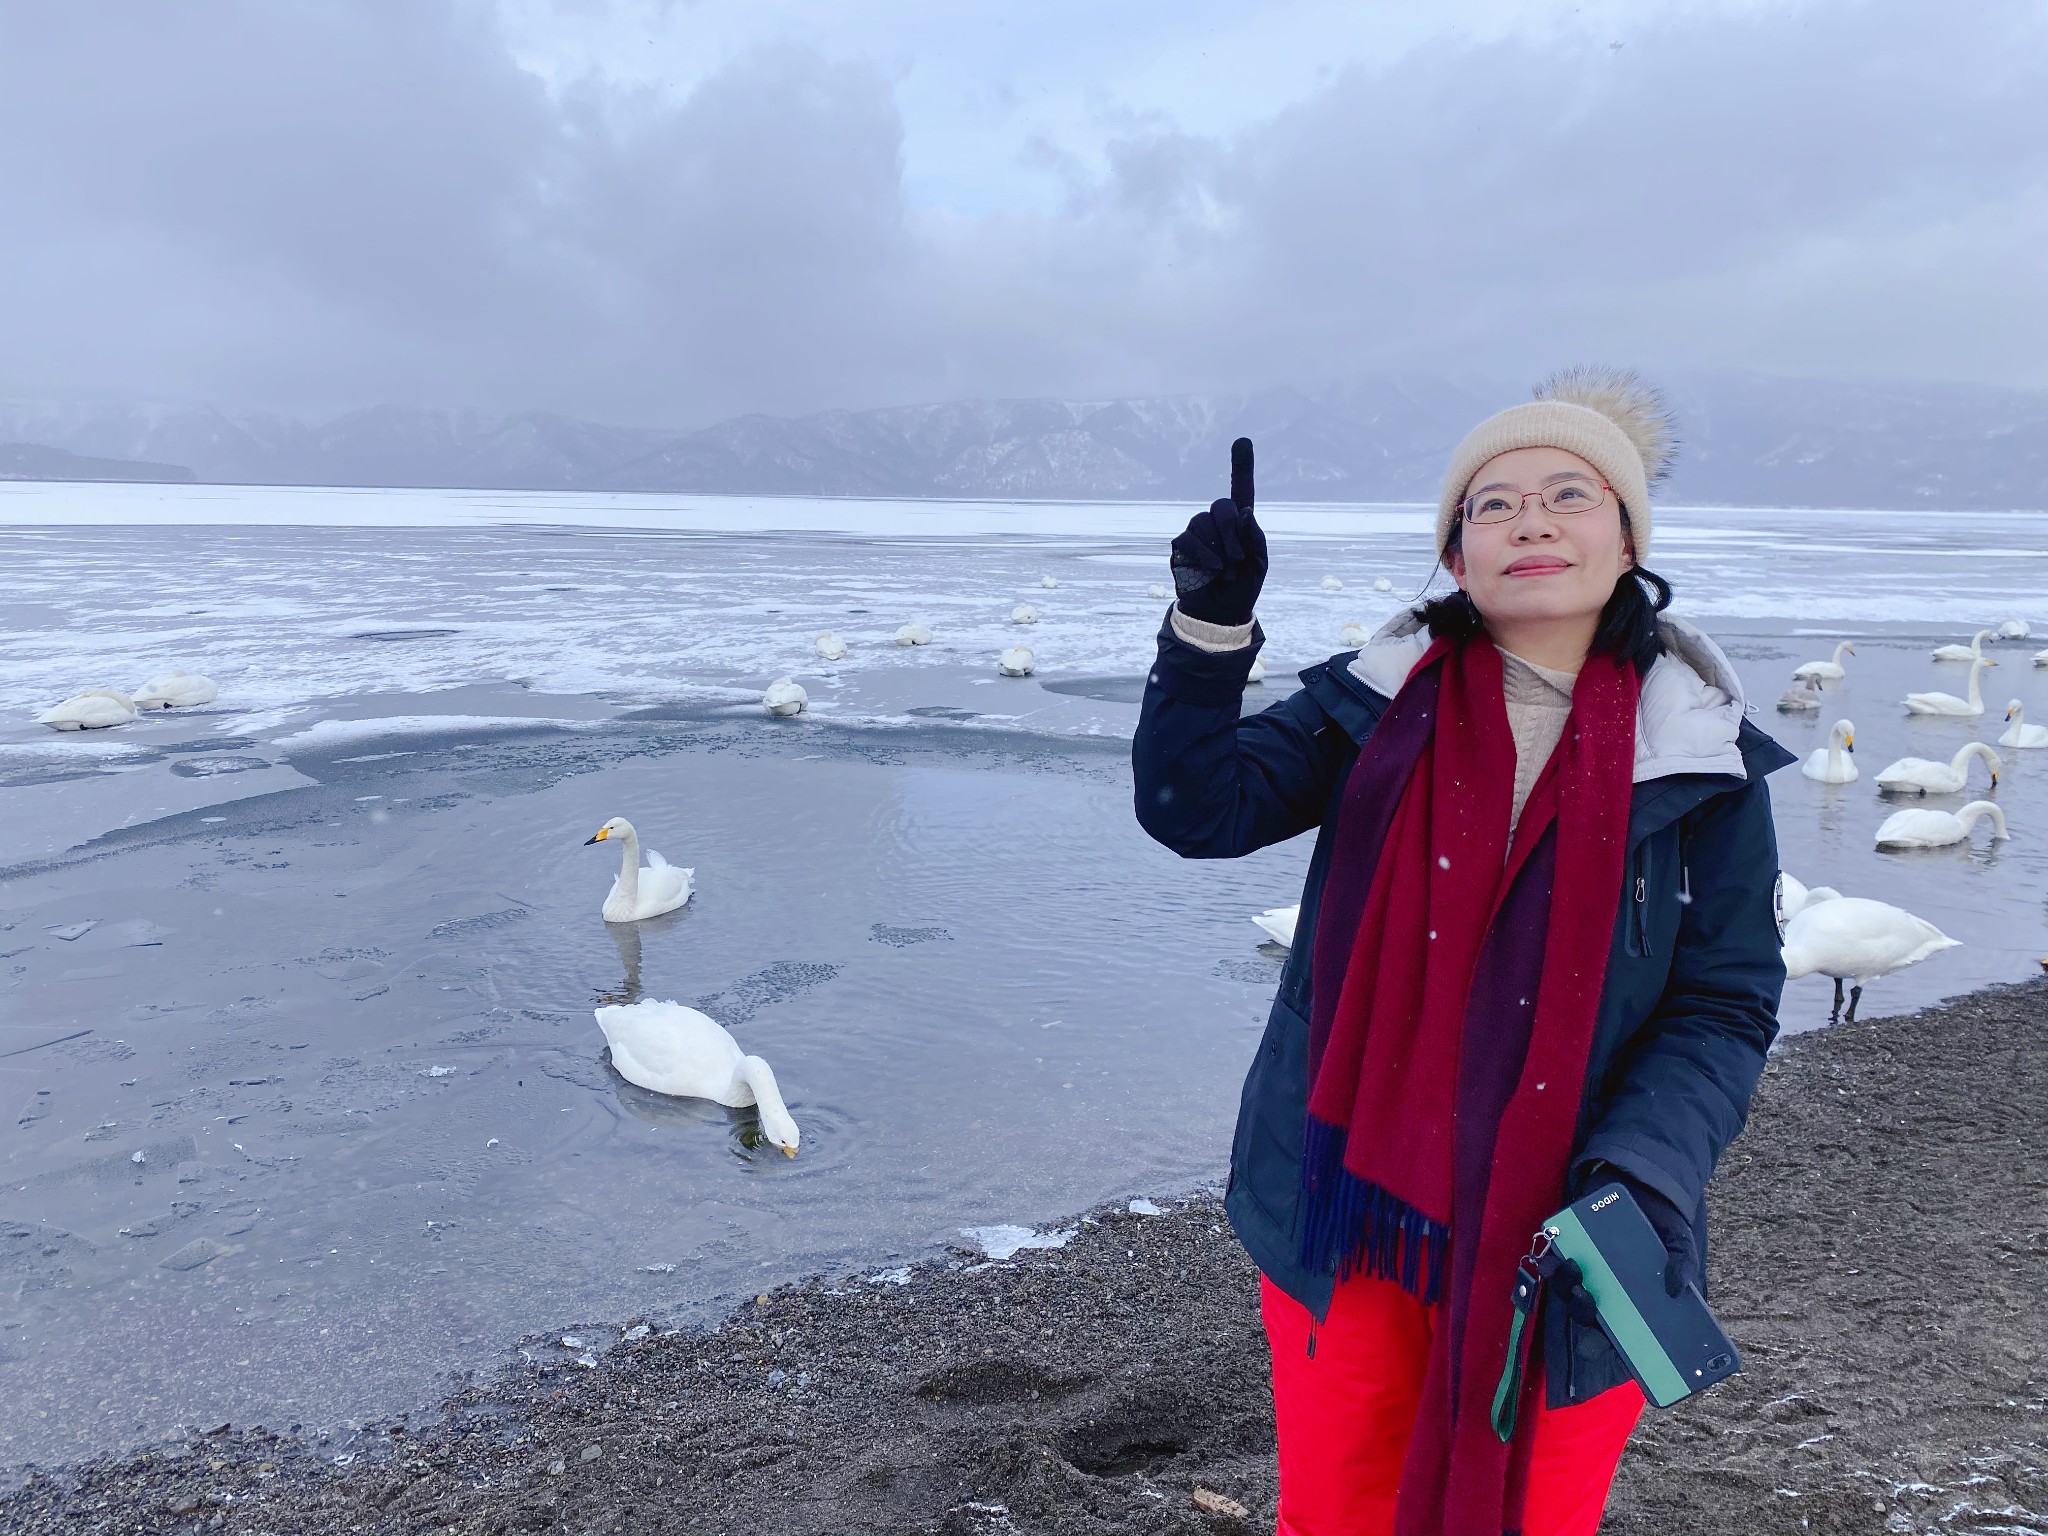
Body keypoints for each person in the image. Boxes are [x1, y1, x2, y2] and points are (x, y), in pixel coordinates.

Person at [1132, 370, 1792, 1536]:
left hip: (1576, 1218)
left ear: (1628, 538)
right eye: (1490, 505)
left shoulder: (1700, 754)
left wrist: (1641, 1164)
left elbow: (1725, 1001)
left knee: (1536, 1510)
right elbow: (1196, 810)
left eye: (1566, 494)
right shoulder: (1369, 704)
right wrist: (1206, 631)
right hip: (1348, 1197)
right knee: (1338, 1508)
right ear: (1454, 558)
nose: (1528, 520)